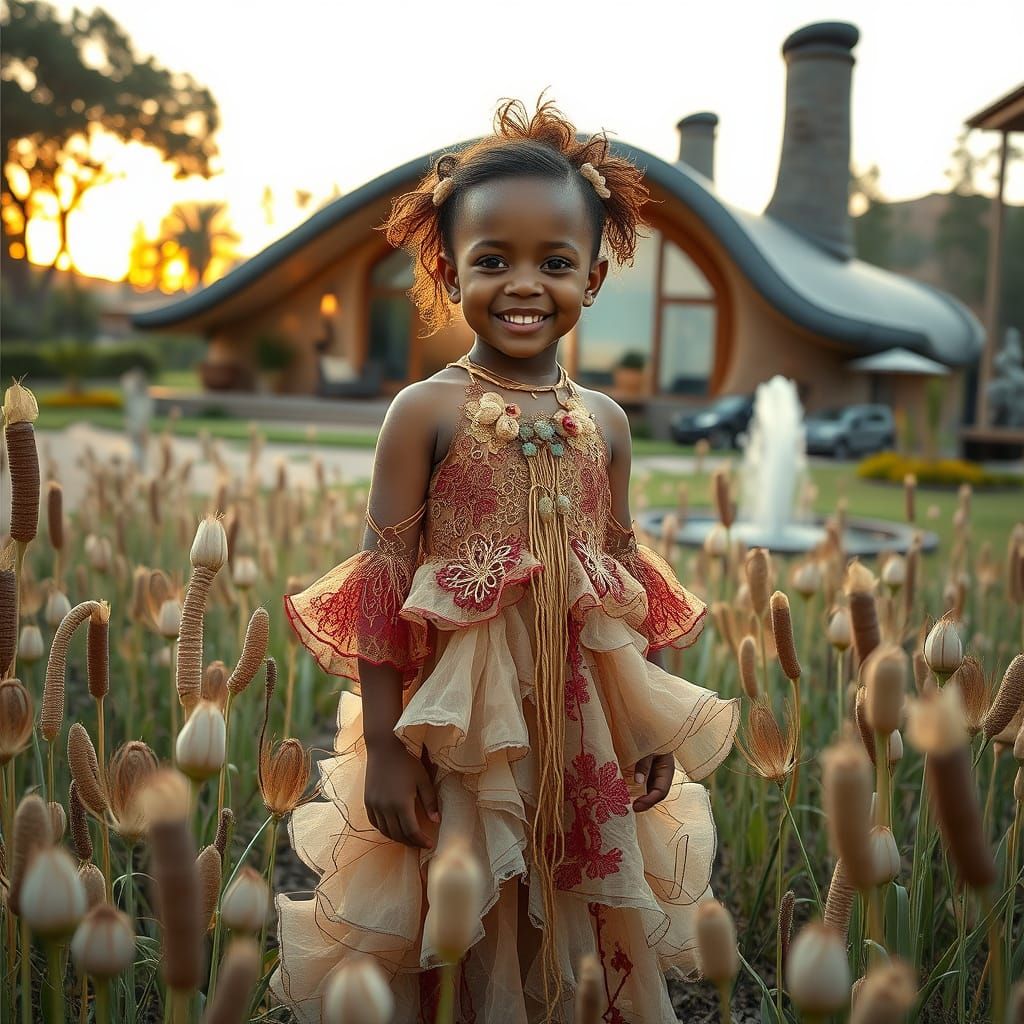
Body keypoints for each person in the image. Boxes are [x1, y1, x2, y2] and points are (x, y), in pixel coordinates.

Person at [270, 99, 739, 1024]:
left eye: (555, 263)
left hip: (585, 714)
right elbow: (383, 584)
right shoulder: (424, 411)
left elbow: (625, 573)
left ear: (594, 276)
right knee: (465, 885)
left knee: (572, 891)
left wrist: (648, 728)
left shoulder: (604, 422)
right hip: (467, 723)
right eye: (493, 261)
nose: (525, 285)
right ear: (448, 269)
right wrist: (388, 750)